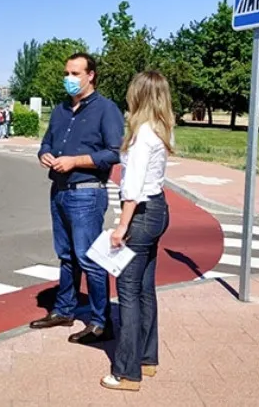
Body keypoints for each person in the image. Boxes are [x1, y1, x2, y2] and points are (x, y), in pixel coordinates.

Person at [29, 52, 124, 344]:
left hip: (86, 193)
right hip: (59, 191)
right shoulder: (60, 109)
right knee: (67, 256)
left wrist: (76, 161)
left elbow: (113, 153)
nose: (68, 79)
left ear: (90, 75)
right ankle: (64, 309)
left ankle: (100, 321)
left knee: (90, 258)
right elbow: (47, 140)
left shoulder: (106, 110)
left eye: (74, 73)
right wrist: (44, 152)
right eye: (66, 73)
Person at [100, 71, 174, 392]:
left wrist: (121, 227)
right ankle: (147, 357)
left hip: (141, 214)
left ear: (139, 95)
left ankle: (127, 372)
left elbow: (132, 188)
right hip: (158, 209)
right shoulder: (160, 129)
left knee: (127, 293)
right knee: (145, 289)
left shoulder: (143, 134)